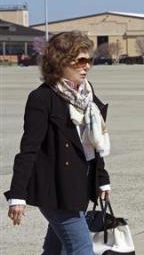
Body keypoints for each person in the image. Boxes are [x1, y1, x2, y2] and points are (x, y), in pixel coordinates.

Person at [4, 31, 111, 255]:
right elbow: (28, 150)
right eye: (80, 61)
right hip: (55, 190)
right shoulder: (42, 98)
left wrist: (102, 180)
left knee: (56, 250)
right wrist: (17, 196)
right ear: (60, 62)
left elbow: (92, 145)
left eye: (89, 60)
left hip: (79, 187)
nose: (87, 66)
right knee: (82, 248)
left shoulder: (88, 96)